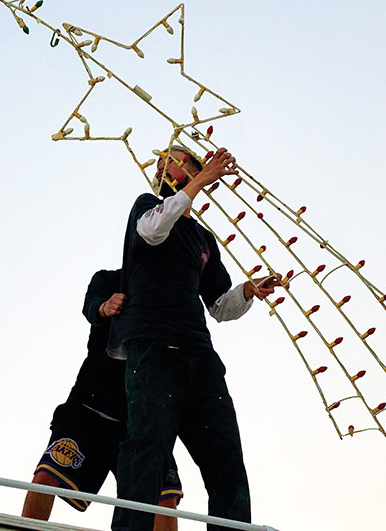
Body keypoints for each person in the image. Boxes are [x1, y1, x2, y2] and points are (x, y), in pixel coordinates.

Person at [109, 145, 281, 531]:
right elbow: (152, 232)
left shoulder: (204, 239)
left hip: (200, 358)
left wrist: (249, 291)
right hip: (153, 351)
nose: (162, 165)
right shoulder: (147, 207)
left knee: (226, 461)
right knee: (145, 453)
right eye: (160, 161)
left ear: (192, 167)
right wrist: (201, 180)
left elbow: (219, 306)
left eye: (173, 158)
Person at [23, 270, 182, 531]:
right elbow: (91, 306)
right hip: (90, 406)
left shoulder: (169, 288)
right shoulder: (109, 279)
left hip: (140, 414)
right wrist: (104, 307)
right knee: (47, 475)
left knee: (165, 497)